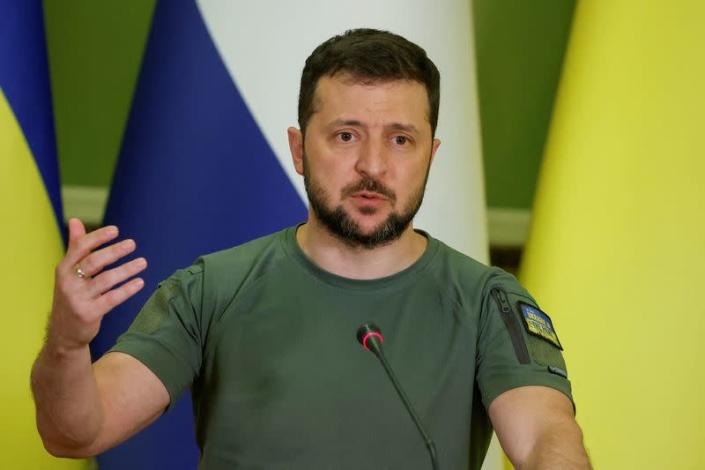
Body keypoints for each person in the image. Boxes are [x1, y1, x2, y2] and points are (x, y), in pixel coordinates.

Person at [31, 29, 590, 469]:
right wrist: (67, 342)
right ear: (299, 149)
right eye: (346, 135)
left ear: (430, 155)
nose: (373, 166)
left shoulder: (487, 301)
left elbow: (545, 435)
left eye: (400, 140)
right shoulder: (209, 289)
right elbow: (76, 433)